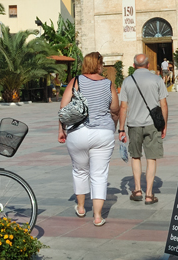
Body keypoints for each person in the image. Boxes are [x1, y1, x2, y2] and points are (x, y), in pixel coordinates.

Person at [58, 52, 119, 227]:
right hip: (103, 133)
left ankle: (82, 207)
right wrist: (112, 126)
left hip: (78, 132)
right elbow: (114, 109)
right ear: (98, 65)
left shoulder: (75, 81)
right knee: (99, 174)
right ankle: (98, 216)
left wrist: (61, 130)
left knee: (80, 170)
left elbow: (63, 108)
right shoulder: (108, 84)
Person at [118, 54, 169, 205]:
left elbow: (123, 107)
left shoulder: (127, 81)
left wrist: (121, 129)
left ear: (134, 65)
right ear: (148, 65)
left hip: (134, 124)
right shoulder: (157, 80)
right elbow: (164, 104)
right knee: (151, 157)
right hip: (152, 124)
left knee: (135, 156)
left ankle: (138, 190)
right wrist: (164, 125)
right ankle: (149, 194)